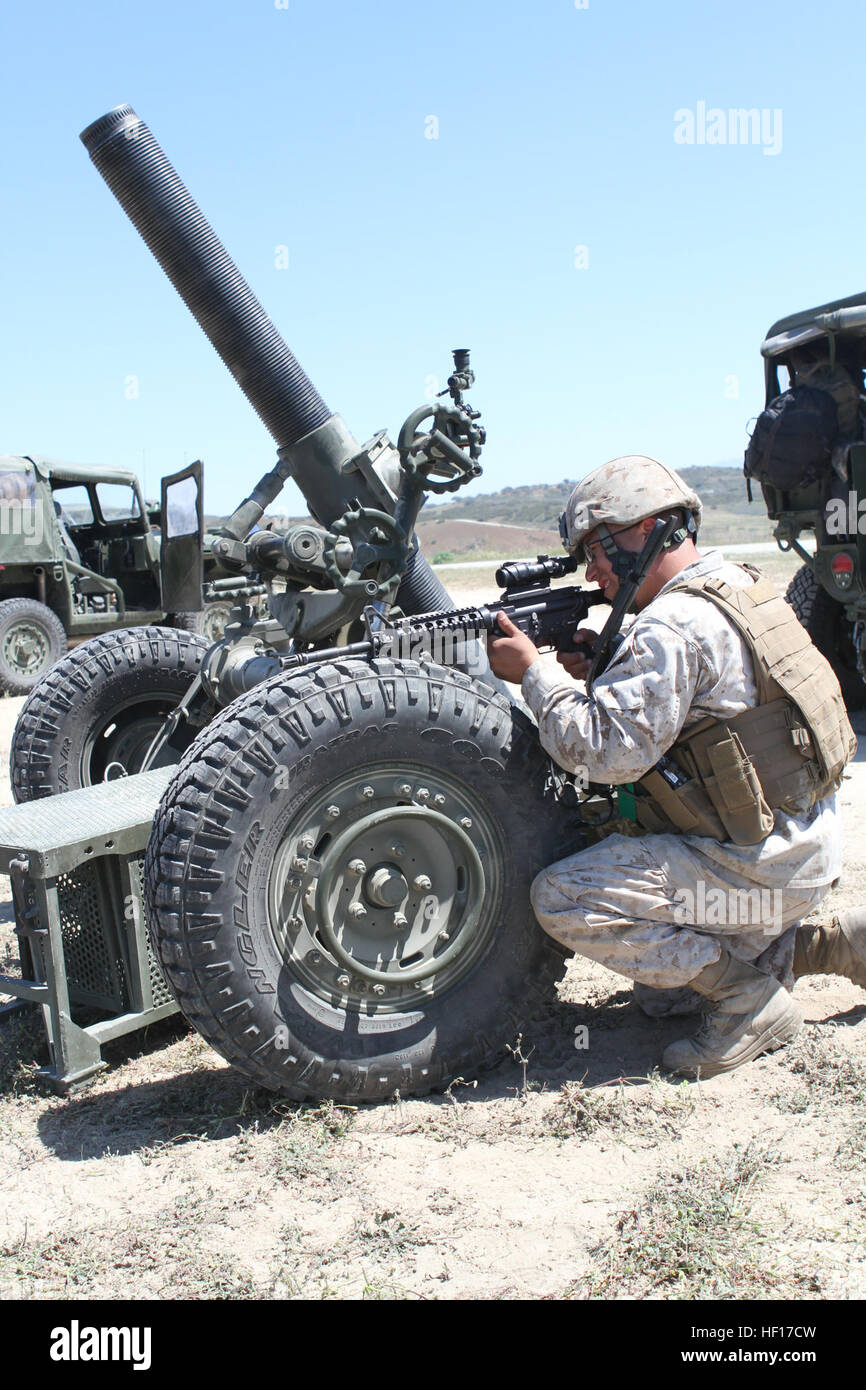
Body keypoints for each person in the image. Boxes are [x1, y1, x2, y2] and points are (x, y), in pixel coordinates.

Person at [487, 455, 864, 1076]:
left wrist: (534, 674)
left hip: (755, 865)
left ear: (645, 529)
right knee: (665, 998)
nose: (592, 570)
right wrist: (604, 671)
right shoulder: (739, 585)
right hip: (800, 847)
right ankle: (830, 945)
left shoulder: (670, 627)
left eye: (597, 549)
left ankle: (747, 1003)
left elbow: (603, 755)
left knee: (563, 899)